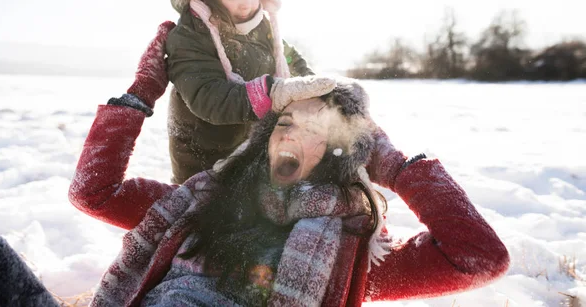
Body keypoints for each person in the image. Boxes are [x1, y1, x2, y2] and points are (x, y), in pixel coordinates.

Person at [64, 26, 509, 306]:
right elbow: (93, 191)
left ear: (341, 154)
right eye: (286, 121)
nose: (289, 133)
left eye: (316, 128)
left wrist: (393, 163)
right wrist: (140, 94)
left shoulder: (352, 256)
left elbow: (479, 258)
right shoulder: (198, 204)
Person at [149, 0, 316, 184]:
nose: (248, 2)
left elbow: (286, 57)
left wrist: (311, 85)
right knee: (211, 218)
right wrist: (270, 94)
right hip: (203, 159)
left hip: (252, 150)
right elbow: (207, 97)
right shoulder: (190, 37)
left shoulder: (260, 24)